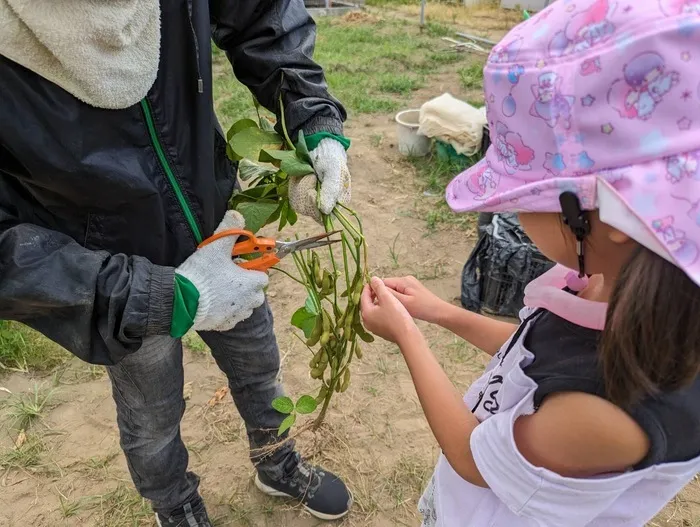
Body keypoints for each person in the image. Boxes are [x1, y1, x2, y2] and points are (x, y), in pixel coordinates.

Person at [0, 1, 353, 525]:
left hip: (219, 234)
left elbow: (263, 15)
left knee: (258, 365)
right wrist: (155, 297)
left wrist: (311, 115)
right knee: (152, 418)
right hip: (115, 278)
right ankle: (176, 506)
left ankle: (275, 460)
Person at [360, 1, 700, 525]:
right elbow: (535, 352)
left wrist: (407, 335)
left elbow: (473, 458)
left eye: (525, 195)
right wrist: (439, 312)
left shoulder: (611, 409)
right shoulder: (616, 283)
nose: (515, 209)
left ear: (600, 215)